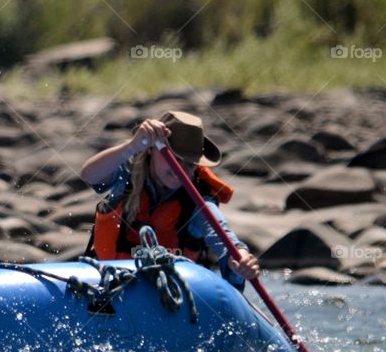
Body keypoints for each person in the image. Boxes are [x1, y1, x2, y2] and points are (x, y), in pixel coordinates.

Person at [79, 111, 260, 290]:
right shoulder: (126, 176)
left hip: (170, 294)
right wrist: (133, 146)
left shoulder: (198, 200)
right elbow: (89, 175)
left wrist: (241, 259)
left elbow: (225, 240)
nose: (180, 170)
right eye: (175, 159)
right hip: (111, 285)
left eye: (190, 164)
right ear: (152, 150)